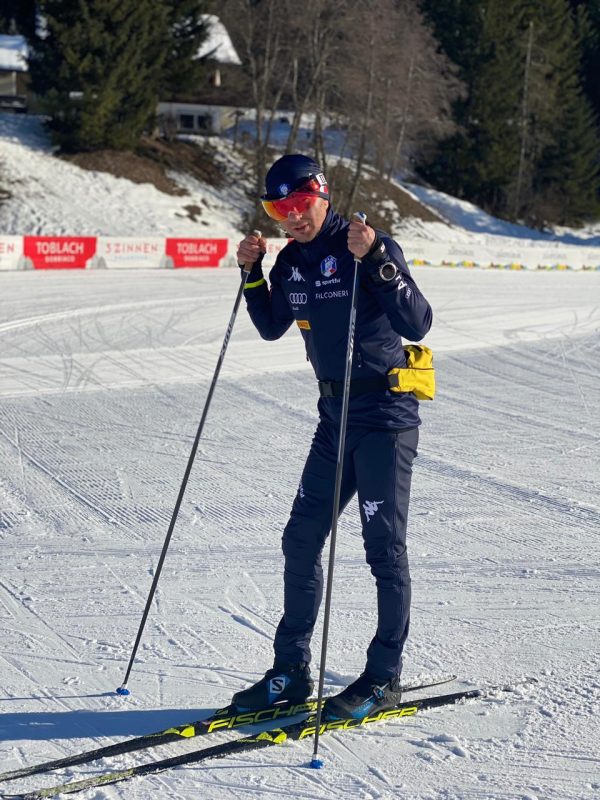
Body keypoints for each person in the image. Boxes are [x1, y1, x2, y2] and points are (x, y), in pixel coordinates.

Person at [233, 154, 432, 720]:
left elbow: (418, 322)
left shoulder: (368, 245)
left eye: (298, 204)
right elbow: (272, 325)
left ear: (323, 194)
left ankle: (383, 677)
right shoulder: (293, 262)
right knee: (300, 538)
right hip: (333, 415)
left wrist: (378, 264)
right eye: (278, 209)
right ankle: (291, 671)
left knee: (382, 549)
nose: (290, 218)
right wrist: (252, 273)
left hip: (385, 416)